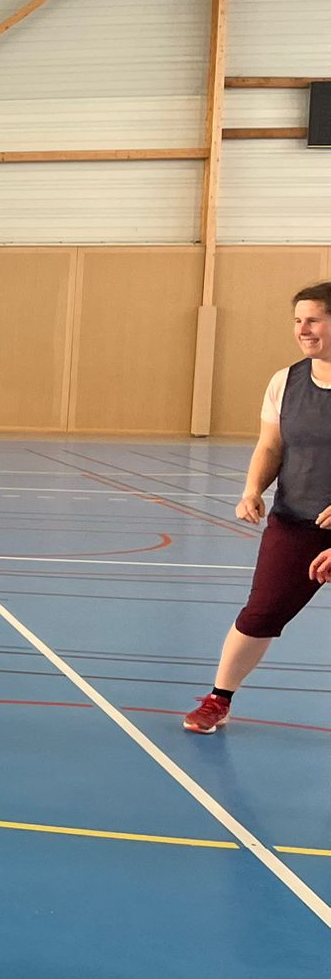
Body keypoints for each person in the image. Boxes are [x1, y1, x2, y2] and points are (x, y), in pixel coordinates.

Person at [183, 282, 331, 734]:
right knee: (261, 613)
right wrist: (252, 489)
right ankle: (217, 699)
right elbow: (272, 445)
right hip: (296, 523)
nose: (302, 330)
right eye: (297, 321)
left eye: (313, 320)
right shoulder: (285, 381)